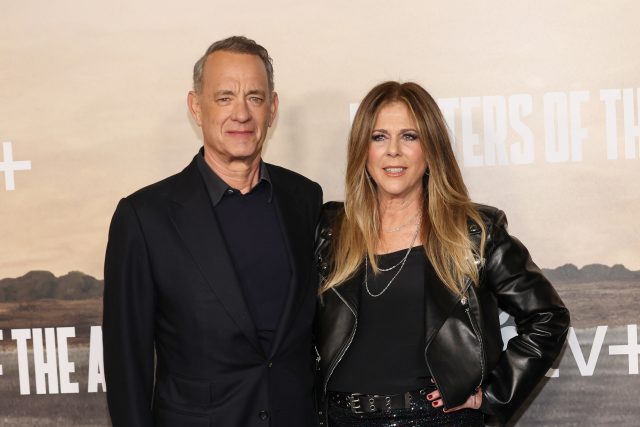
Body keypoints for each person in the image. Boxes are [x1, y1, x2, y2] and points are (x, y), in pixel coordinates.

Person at [314, 81, 569, 426]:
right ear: (362, 150)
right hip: (343, 420)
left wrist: (492, 396)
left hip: (438, 420)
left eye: (409, 136)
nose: (393, 151)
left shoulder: (473, 232)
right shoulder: (329, 231)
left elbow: (547, 317)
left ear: (431, 149)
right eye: (379, 137)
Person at [103, 36, 322, 426]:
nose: (242, 114)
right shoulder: (144, 218)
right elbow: (127, 369)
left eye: (254, 97)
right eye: (225, 98)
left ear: (272, 108)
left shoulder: (304, 199)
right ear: (196, 107)